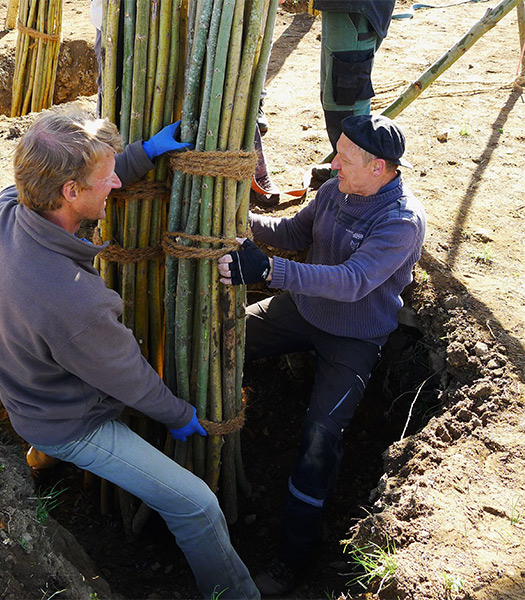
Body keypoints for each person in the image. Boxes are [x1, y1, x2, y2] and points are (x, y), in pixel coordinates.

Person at [0, 106, 260, 600]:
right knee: (196, 505)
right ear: (69, 191)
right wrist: (177, 414)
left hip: (22, 386)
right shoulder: (71, 300)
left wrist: (141, 156)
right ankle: (237, 594)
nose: (115, 184)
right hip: (68, 423)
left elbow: (88, 182)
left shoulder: (8, 208)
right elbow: (127, 377)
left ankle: (38, 464)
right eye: (106, 178)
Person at [218, 114, 426, 595]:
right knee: (227, 342)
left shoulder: (401, 222)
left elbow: (352, 282)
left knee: (319, 438)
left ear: (380, 168)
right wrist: (234, 219)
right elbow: (293, 233)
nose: (333, 163)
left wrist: (270, 270)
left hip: (353, 337)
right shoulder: (338, 190)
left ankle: (294, 557)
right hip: (301, 310)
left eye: (345, 158)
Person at [309, 0, 396, 187]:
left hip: (355, 7)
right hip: (342, 7)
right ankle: (341, 168)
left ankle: (351, 183)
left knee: (346, 99)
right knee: (332, 94)